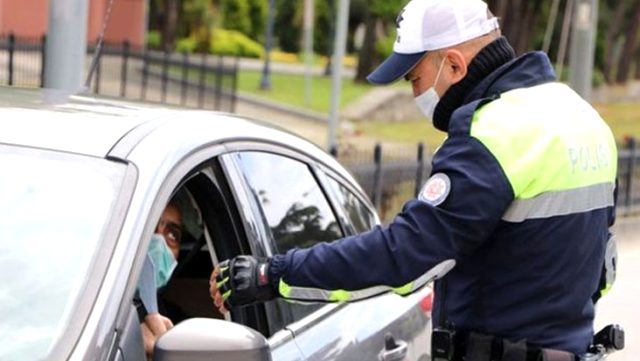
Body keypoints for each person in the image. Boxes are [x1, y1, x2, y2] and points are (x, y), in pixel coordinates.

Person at [209, 0, 619, 360]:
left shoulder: (492, 135)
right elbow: (602, 266)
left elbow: (404, 258)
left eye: (415, 78)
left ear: (454, 65)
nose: (415, 93)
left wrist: (271, 274)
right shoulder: (581, 118)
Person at [136, 200, 183, 358]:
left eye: (172, 235)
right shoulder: (90, 307)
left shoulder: (176, 327)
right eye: (149, 228)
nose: (158, 242)